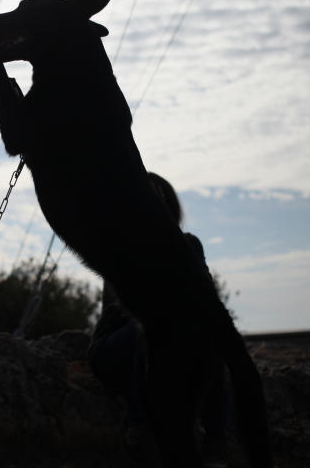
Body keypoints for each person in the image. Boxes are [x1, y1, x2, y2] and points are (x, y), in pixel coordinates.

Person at [88, 172, 229, 468]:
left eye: (158, 199)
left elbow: (205, 298)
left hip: (175, 342)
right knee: (150, 326)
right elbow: (125, 305)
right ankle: (141, 427)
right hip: (118, 346)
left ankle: (216, 441)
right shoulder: (116, 248)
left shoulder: (189, 245)